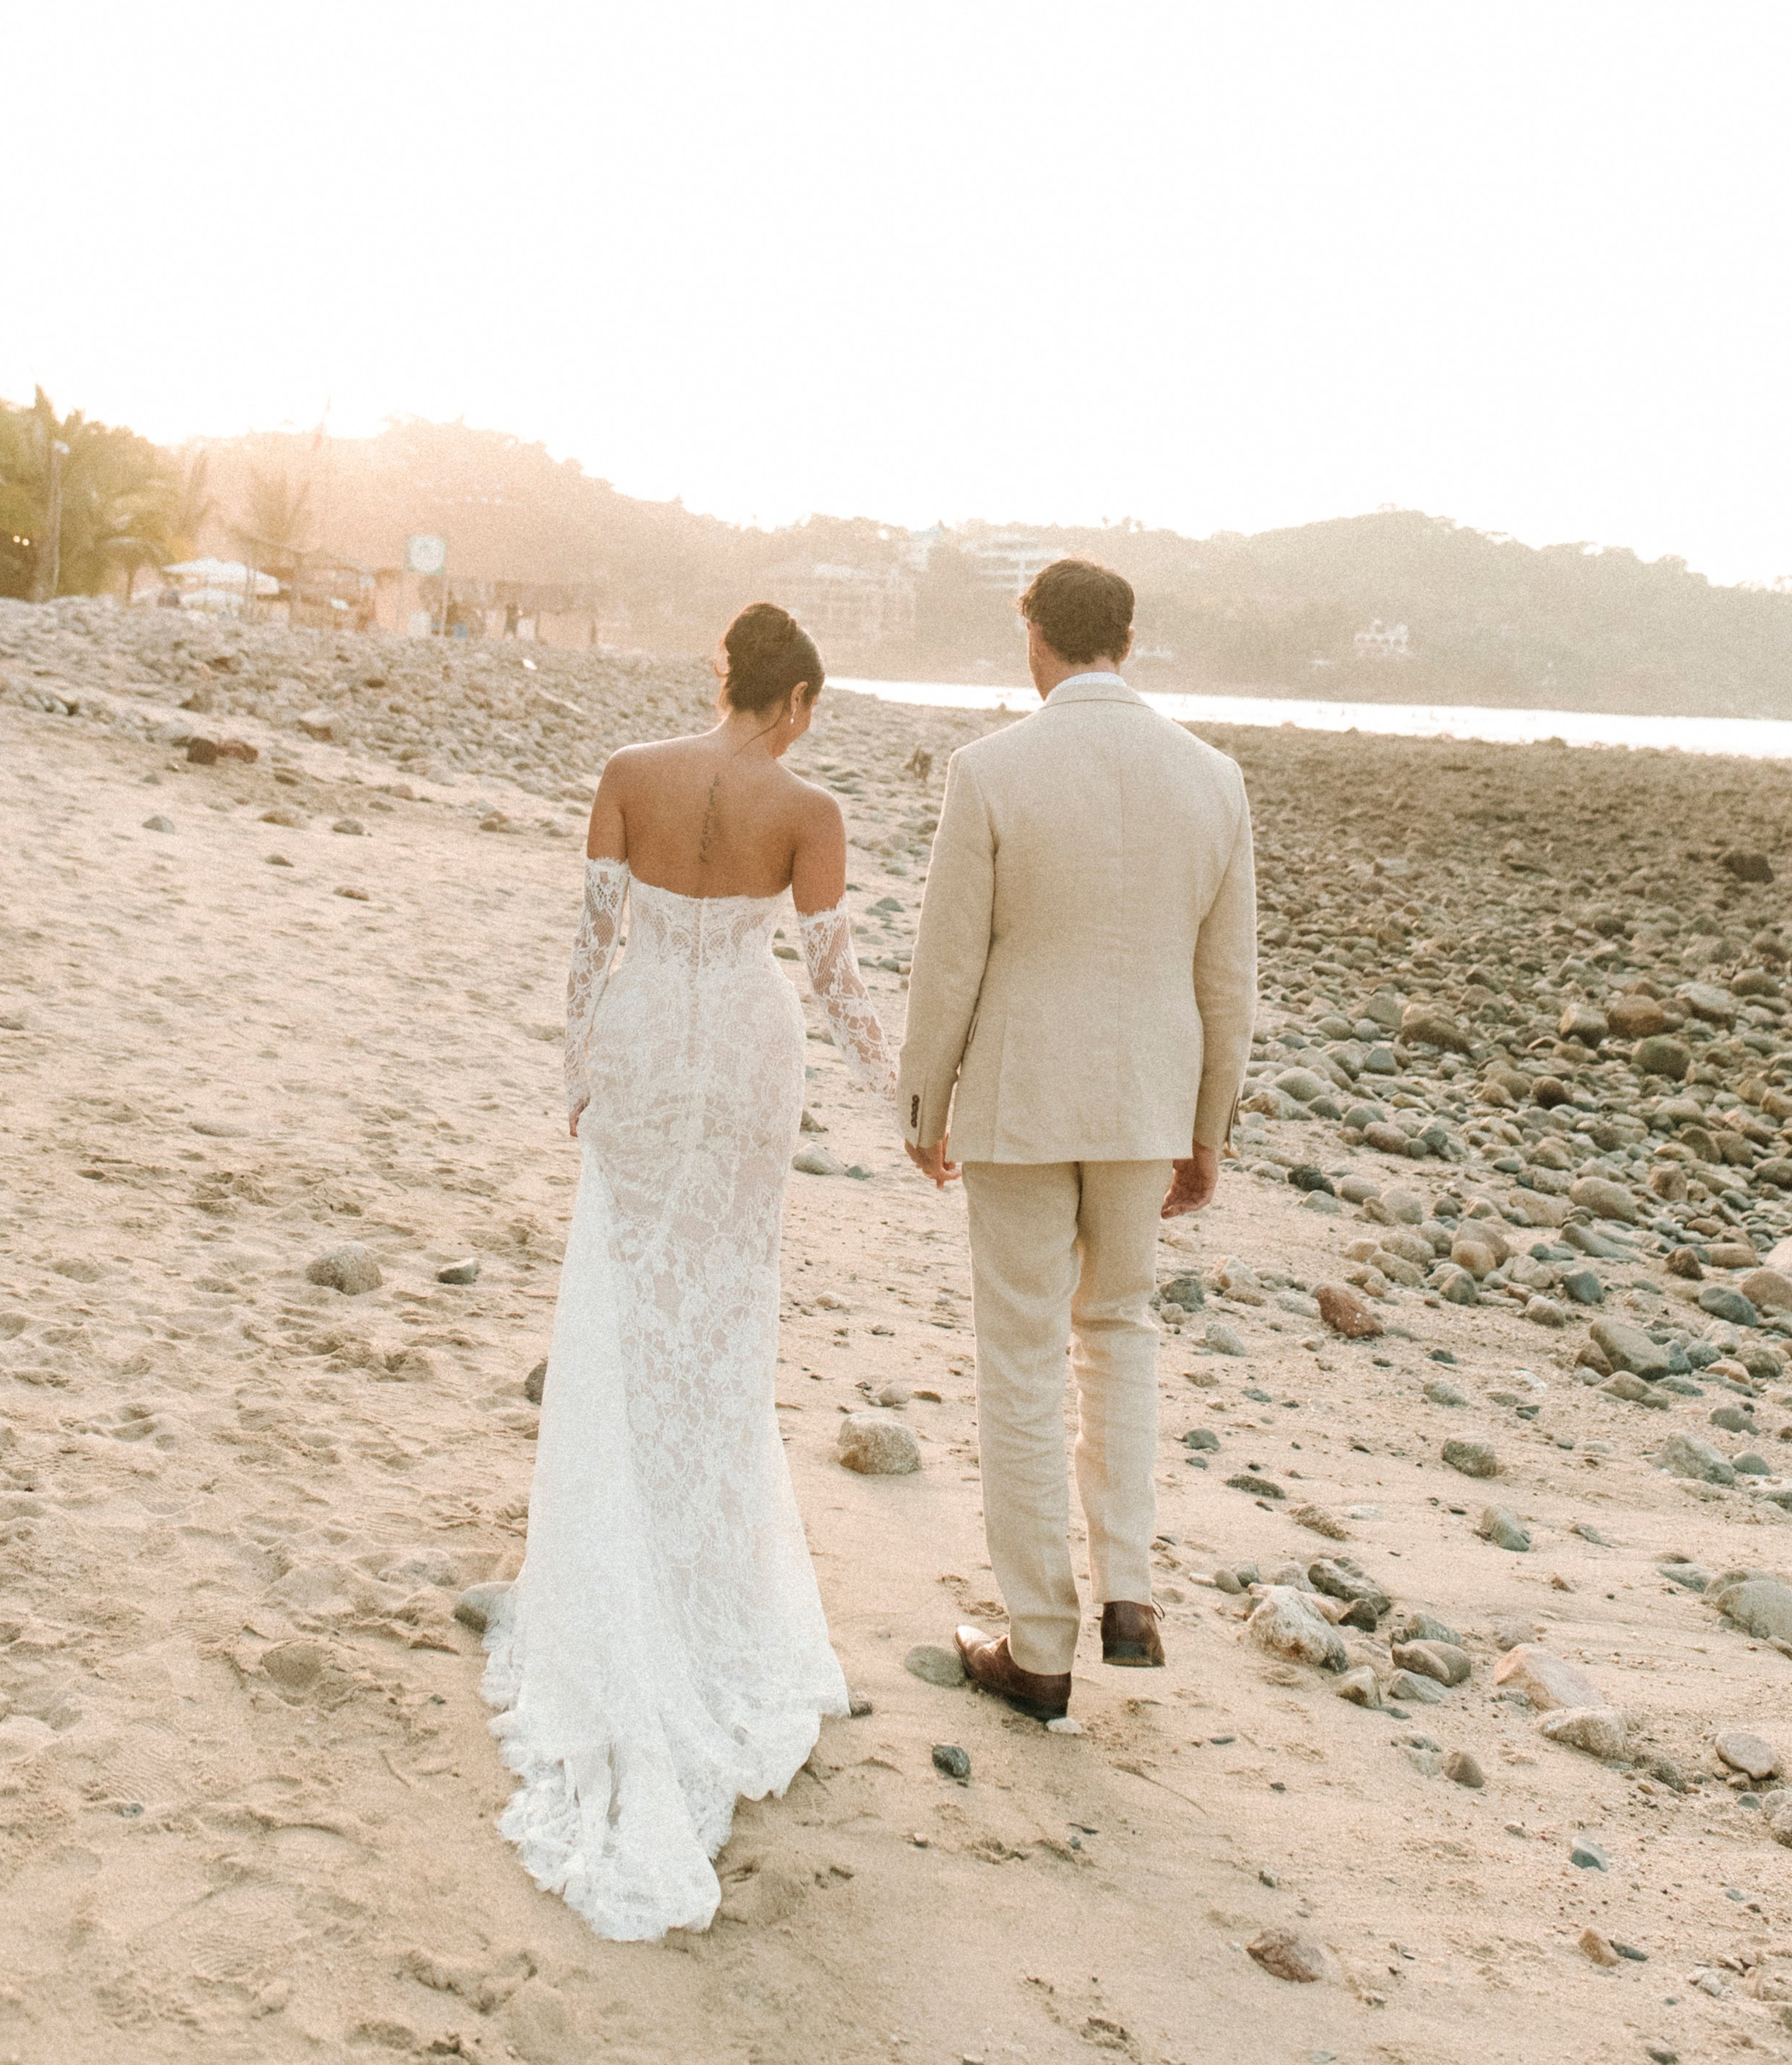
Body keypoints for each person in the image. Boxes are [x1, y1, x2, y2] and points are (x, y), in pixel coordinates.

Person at [480, 603, 895, 1940]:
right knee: (724, 1318)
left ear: (725, 681)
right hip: (749, 1060)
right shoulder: (811, 809)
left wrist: (576, 1076)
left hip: (646, 1042)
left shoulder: (628, 774)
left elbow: (589, 946)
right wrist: (905, 1099)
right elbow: (832, 979)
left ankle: (622, 1557)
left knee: (623, 1300)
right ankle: (703, 1583)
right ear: (799, 700)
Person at [899, 557, 1257, 1721]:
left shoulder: (991, 769)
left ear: (1034, 638)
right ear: (1129, 640)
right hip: (1148, 1097)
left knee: (1021, 1357)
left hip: (1019, 1094)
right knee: (1122, 1331)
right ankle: (1131, 1593)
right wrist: (1208, 1128)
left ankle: (1042, 1646)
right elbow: (1228, 982)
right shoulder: (1213, 779)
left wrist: (923, 1104)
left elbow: (949, 958)